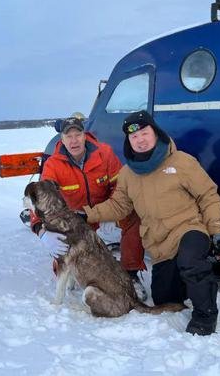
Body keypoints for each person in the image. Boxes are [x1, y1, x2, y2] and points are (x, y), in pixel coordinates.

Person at [81, 110, 220, 336]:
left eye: (144, 133)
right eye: (134, 137)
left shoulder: (182, 162)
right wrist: (87, 214)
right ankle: (187, 280)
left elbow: (208, 195)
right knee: (165, 298)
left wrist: (216, 230)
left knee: (191, 262)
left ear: (155, 132)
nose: (140, 140)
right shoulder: (128, 173)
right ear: (129, 141)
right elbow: (119, 207)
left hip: (188, 228)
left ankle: (205, 314)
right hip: (158, 240)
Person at [30, 115, 147, 300]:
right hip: (75, 221)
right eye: (69, 136)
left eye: (78, 134)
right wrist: (41, 230)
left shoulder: (105, 153)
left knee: (133, 216)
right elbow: (42, 200)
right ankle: (86, 275)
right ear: (62, 139)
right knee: (62, 265)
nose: (74, 140)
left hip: (104, 211)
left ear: (85, 135)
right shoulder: (53, 165)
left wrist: (112, 212)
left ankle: (131, 274)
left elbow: (120, 188)